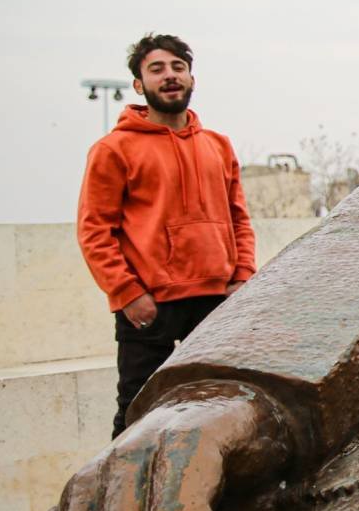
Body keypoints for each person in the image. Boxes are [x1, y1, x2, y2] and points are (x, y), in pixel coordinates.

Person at [77, 33, 255, 437]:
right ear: (139, 85)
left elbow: (239, 219)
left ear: (192, 79)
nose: (169, 76)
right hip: (150, 306)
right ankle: (119, 500)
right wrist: (128, 294)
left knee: (216, 412)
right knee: (137, 414)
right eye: (156, 69)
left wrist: (242, 277)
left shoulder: (218, 145)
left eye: (178, 68)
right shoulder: (114, 149)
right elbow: (94, 231)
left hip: (215, 302)